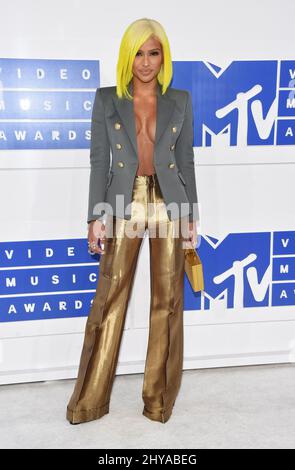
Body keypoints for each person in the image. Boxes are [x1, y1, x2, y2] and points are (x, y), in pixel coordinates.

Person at [66, 17, 199, 425]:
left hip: (170, 204)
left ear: (164, 57)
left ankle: (158, 401)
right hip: (124, 200)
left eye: (153, 53)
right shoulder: (107, 99)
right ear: (128, 56)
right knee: (109, 300)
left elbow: (187, 161)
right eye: (138, 53)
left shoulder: (180, 99)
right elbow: (98, 162)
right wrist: (96, 215)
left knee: (168, 302)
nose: (145, 62)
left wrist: (191, 215)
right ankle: (88, 402)